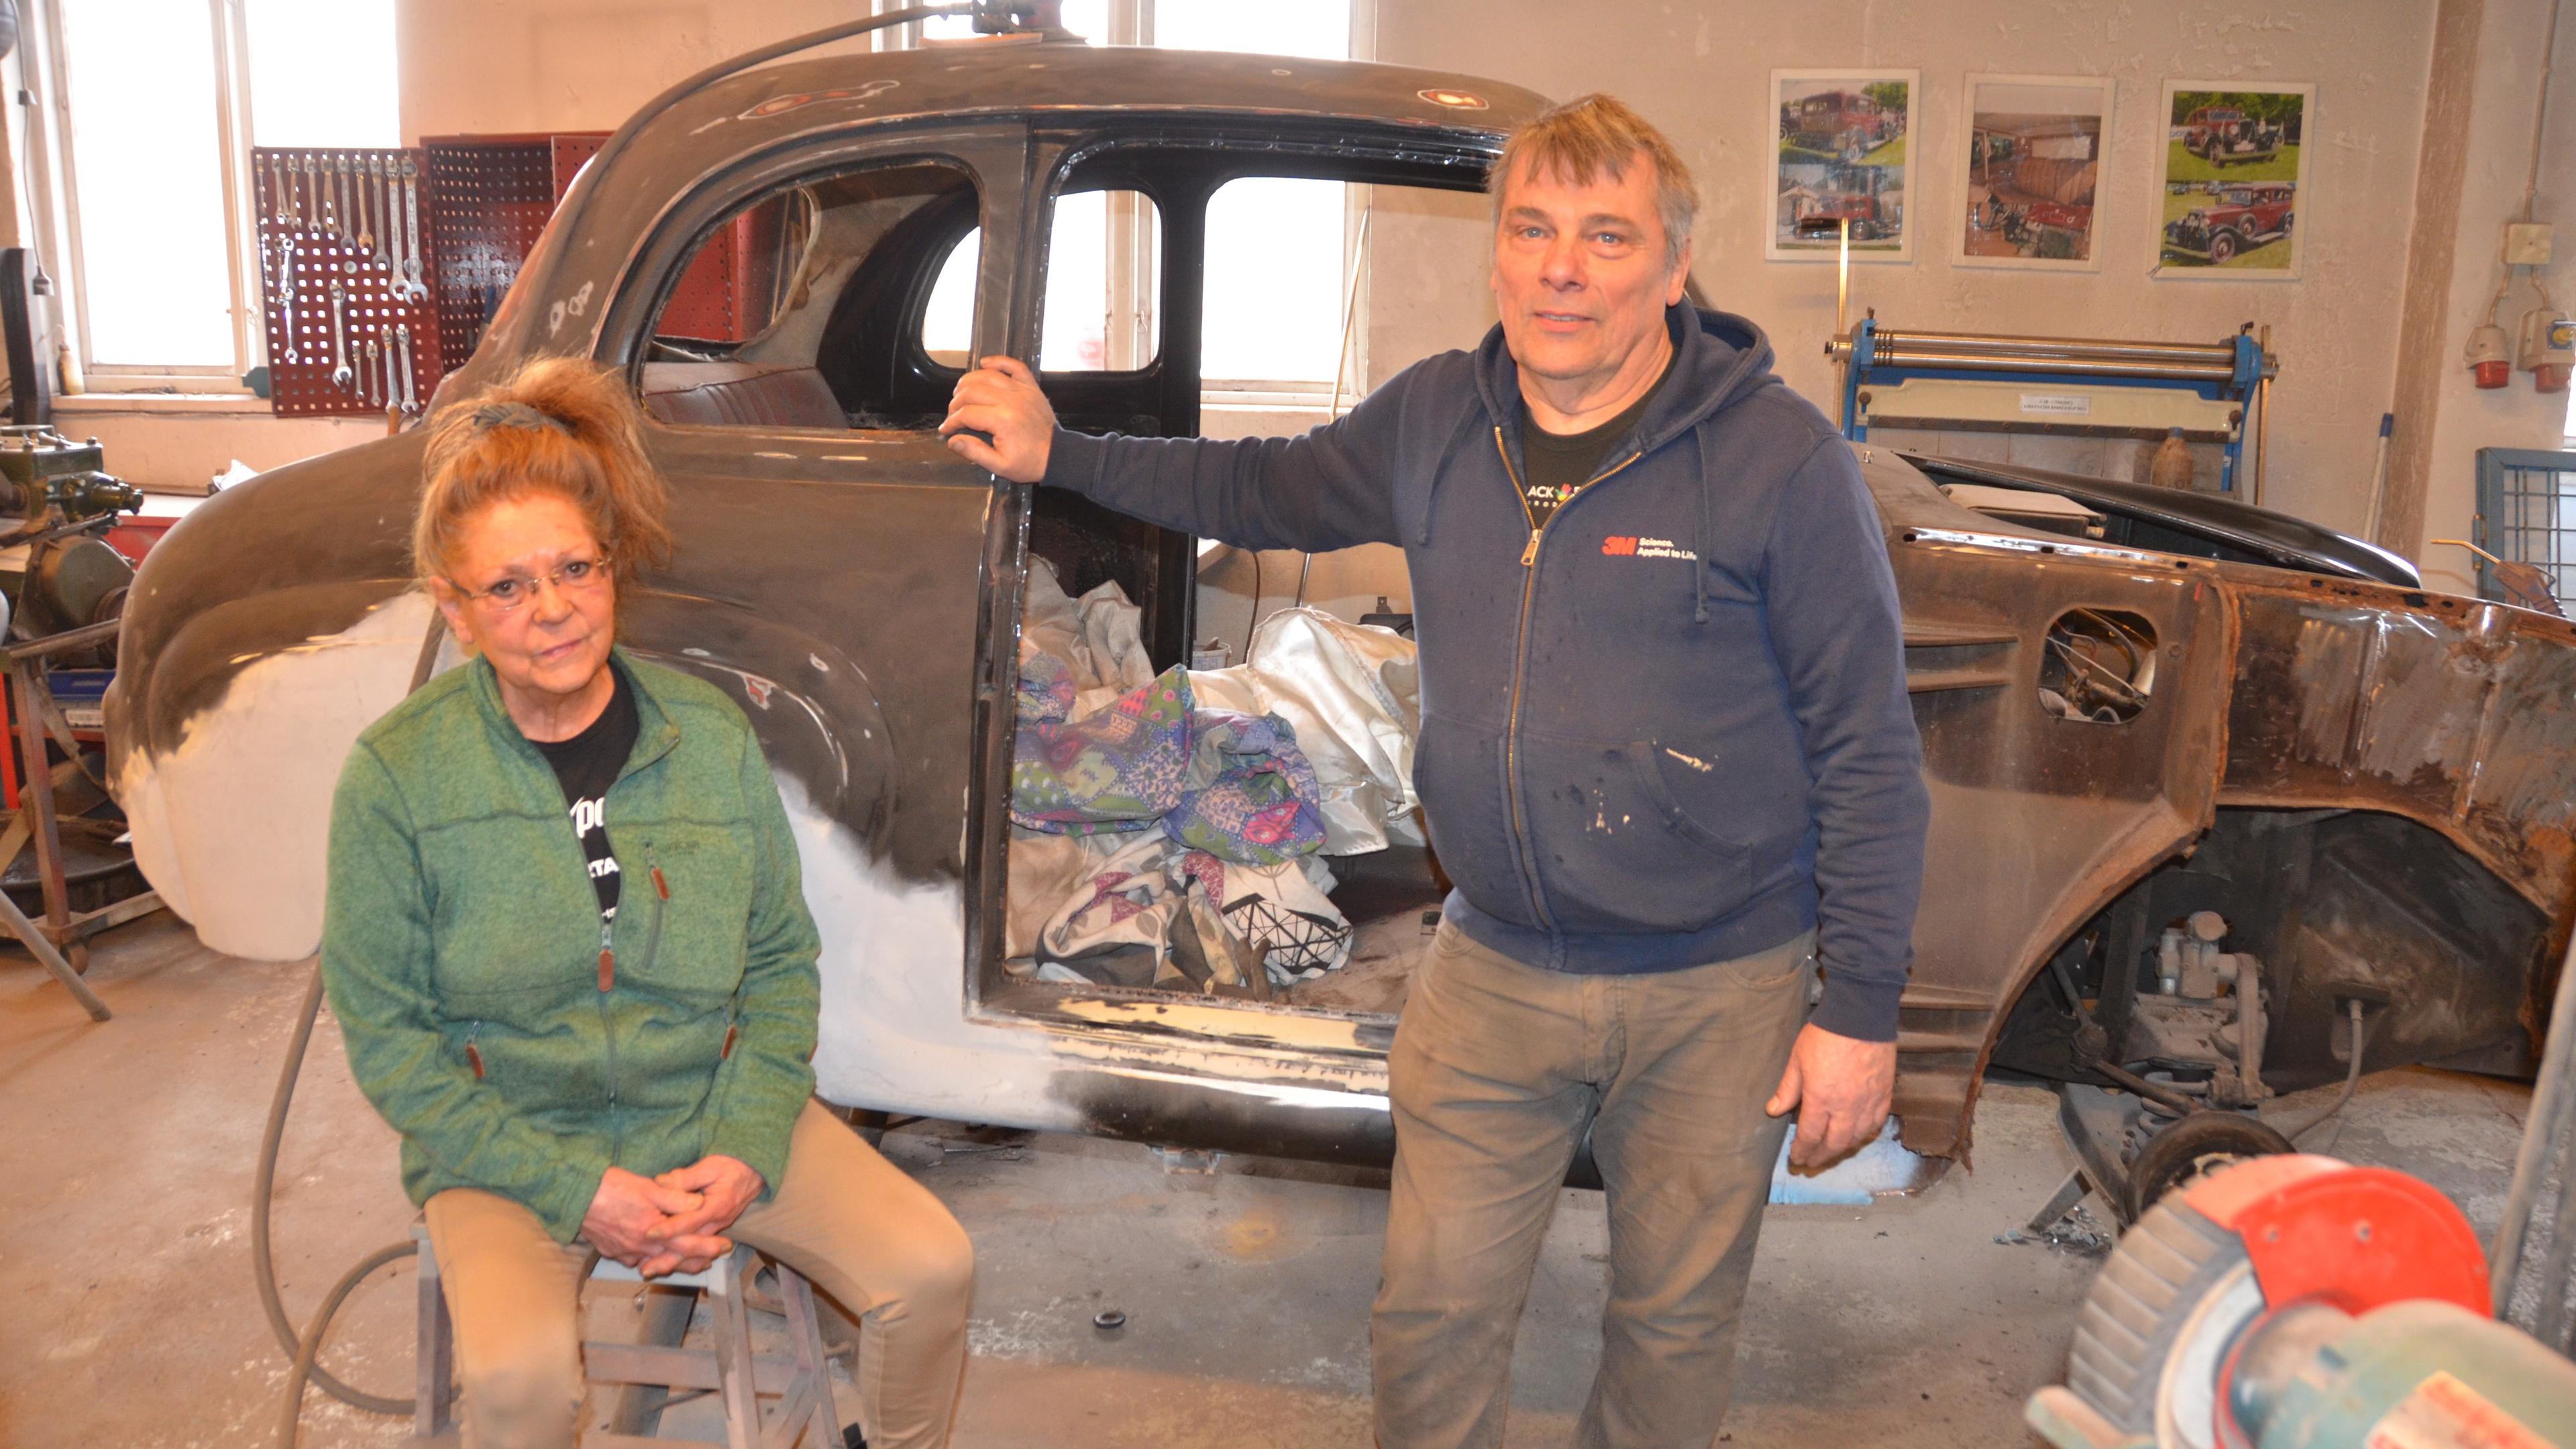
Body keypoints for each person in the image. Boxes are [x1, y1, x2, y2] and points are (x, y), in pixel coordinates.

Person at [945, 94, 1929, 1448]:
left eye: (1604, 235)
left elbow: (1872, 746)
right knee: (1431, 1316)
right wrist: (1067, 454)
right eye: (1532, 229)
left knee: (1673, 1334)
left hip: (1719, 987)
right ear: (1499, 252)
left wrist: (1861, 1010)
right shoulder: (1437, 423)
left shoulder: (1778, 464)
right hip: (1496, 971)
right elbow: (1258, 488)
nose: (1561, 269)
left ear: (1673, 266)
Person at [321, 359, 973, 1449]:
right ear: (456, 608)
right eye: (510, 587)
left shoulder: (707, 737)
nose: (555, 611)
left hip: (704, 1110)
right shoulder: (396, 779)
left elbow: (776, 963)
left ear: (612, 565)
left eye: (576, 568)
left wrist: (746, 1147)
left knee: (931, 1270)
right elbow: (392, 1048)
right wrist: (581, 1190)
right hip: (510, 1145)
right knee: (525, 1387)